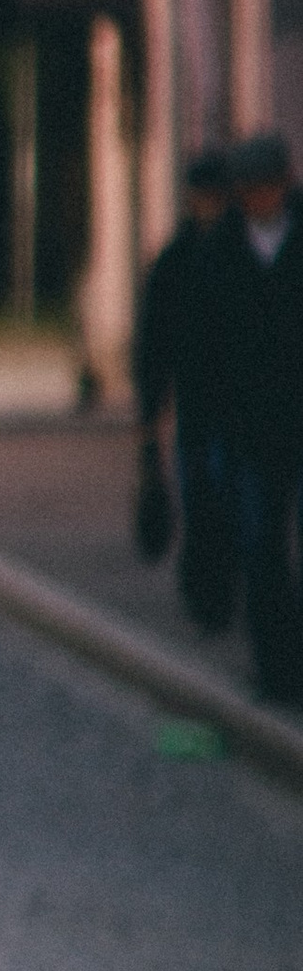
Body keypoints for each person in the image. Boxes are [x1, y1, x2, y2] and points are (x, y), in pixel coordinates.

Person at [133, 148, 238, 632]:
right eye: (202, 196)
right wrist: (149, 413)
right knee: (201, 503)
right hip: (196, 407)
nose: (210, 204)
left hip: (245, 406)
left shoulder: (244, 257)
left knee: (237, 506)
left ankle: (231, 596)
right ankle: (207, 599)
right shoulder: (176, 262)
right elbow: (154, 343)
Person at [216, 130, 303, 703]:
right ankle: (274, 667)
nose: (255, 199)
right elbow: (207, 342)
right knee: (261, 546)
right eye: (247, 190)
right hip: (250, 427)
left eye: (263, 189)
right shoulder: (222, 247)